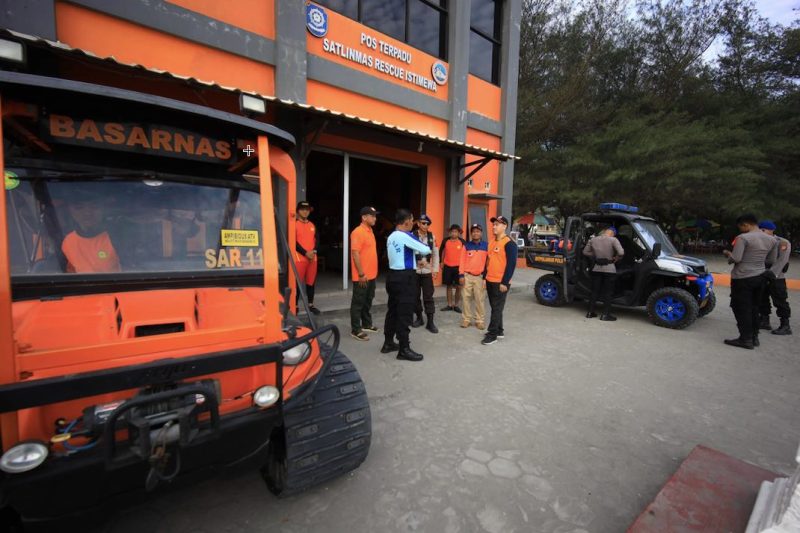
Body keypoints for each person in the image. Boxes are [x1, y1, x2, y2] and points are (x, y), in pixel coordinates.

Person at [722, 213, 778, 349]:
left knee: (741, 307)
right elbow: (771, 260)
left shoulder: (743, 238)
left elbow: (736, 259)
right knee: (754, 307)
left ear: (745, 224)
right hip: (760, 276)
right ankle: (754, 337)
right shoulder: (772, 240)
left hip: (742, 277)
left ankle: (745, 339)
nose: (740, 229)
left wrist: (728, 254)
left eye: (740, 226)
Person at [382, 209, 431, 361]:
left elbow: (401, 254)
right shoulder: (405, 235)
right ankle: (404, 349)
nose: (414, 223)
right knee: (404, 313)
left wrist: (416, 257)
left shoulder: (391, 236)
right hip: (405, 278)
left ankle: (388, 343)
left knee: (393, 311)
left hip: (392, 276)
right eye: (412, 220)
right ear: (406, 221)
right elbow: (425, 248)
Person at [61, 194, 121, 273]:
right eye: (79, 207)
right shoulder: (68, 242)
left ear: (103, 208)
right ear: (70, 210)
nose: (87, 213)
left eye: (94, 206)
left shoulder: (118, 236)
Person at [482, 216, 518, 345]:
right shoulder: (491, 242)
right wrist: (484, 278)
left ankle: (492, 335)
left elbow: (511, 265)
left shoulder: (509, 243)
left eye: (497, 224)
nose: (494, 226)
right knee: (495, 307)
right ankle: (500, 330)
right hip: (490, 280)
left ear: (505, 226)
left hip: (500, 282)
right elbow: (487, 261)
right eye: (494, 224)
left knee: (496, 308)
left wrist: (505, 282)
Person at [757, 220, 792, 335]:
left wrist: (771, 274)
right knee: (762, 298)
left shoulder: (782, 242)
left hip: (776, 276)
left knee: (780, 300)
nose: (761, 232)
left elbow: (782, 260)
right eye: (760, 230)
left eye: (763, 230)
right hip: (762, 273)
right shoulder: (760, 241)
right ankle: (764, 320)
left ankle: (785, 325)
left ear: (771, 230)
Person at [349, 206, 379, 341]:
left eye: (375, 216)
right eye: (372, 216)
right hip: (362, 276)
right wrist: (361, 274)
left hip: (371, 275)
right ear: (364, 217)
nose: (375, 218)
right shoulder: (358, 232)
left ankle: (366, 324)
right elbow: (355, 254)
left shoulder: (370, 231)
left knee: (368, 301)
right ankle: (355, 329)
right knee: (358, 302)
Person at [582, 227, 624, 321]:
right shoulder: (613, 240)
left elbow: (585, 252)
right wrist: (617, 258)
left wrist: (596, 256)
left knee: (594, 291)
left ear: (605, 232)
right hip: (609, 269)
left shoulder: (593, 239)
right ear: (613, 233)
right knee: (608, 292)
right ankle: (605, 315)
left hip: (596, 268)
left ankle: (590, 312)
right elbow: (621, 252)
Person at [411, 214, 439, 334]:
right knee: (415, 296)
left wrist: (435, 269)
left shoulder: (432, 236)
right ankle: (419, 318)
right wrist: (416, 263)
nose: (425, 225)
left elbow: (435, 254)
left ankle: (430, 322)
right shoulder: (412, 236)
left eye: (427, 224)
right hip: (415, 270)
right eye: (423, 223)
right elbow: (409, 253)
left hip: (427, 270)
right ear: (418, 224)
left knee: (428, 296)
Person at [459, 223, 488, 329]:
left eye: (478, 231)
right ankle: (466, 319)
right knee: (465, 298)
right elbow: (461, 261)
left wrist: (485, 277)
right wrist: (461, 275)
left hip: (480, 277)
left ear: (481, 233)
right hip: (467, 276)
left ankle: (479, 320)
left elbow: (488, 263)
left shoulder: (486, 246)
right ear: (471, 233)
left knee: (479, 299)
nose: (475, 233)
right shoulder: (466, 246)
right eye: (473, 231)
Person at [294, 201, 320, 314]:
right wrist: (305, 253)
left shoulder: (312, 225)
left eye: (307, 209)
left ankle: (310, 305)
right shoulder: (294, 225)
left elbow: (317, 240)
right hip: (299, 259)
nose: (305, 211)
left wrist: (313, 251)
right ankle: (294, 305)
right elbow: (293, 243)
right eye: (302, 209)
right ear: (298, 211)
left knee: (311, 282)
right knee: (297, 283)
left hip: (312, 258)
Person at [440, 224, 465, 312]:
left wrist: (464, 267)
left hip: (458, 268)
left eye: (455, 232)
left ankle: (456, 305)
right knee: (449, 286)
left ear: (459, 233)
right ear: (450, 232)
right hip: (447, 266)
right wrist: (441, 262)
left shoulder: (462, 242)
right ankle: (449, 305)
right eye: (452, 231)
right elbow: (442, 252)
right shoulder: (445, 241)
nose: (453, 233)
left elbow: (465, 255)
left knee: (459, 287)